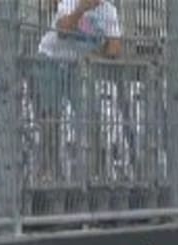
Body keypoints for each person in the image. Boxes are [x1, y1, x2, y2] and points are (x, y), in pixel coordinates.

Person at [33, 0, 124, 184]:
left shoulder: (109, 11)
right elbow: (62, 31)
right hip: (52, 59)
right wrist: (81, 9)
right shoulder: (69, 3)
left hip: (78, 65)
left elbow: (114, 48)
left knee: (91, 114)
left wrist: (96, 54)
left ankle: (96, 171)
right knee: (51, 117)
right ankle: (49, 170)